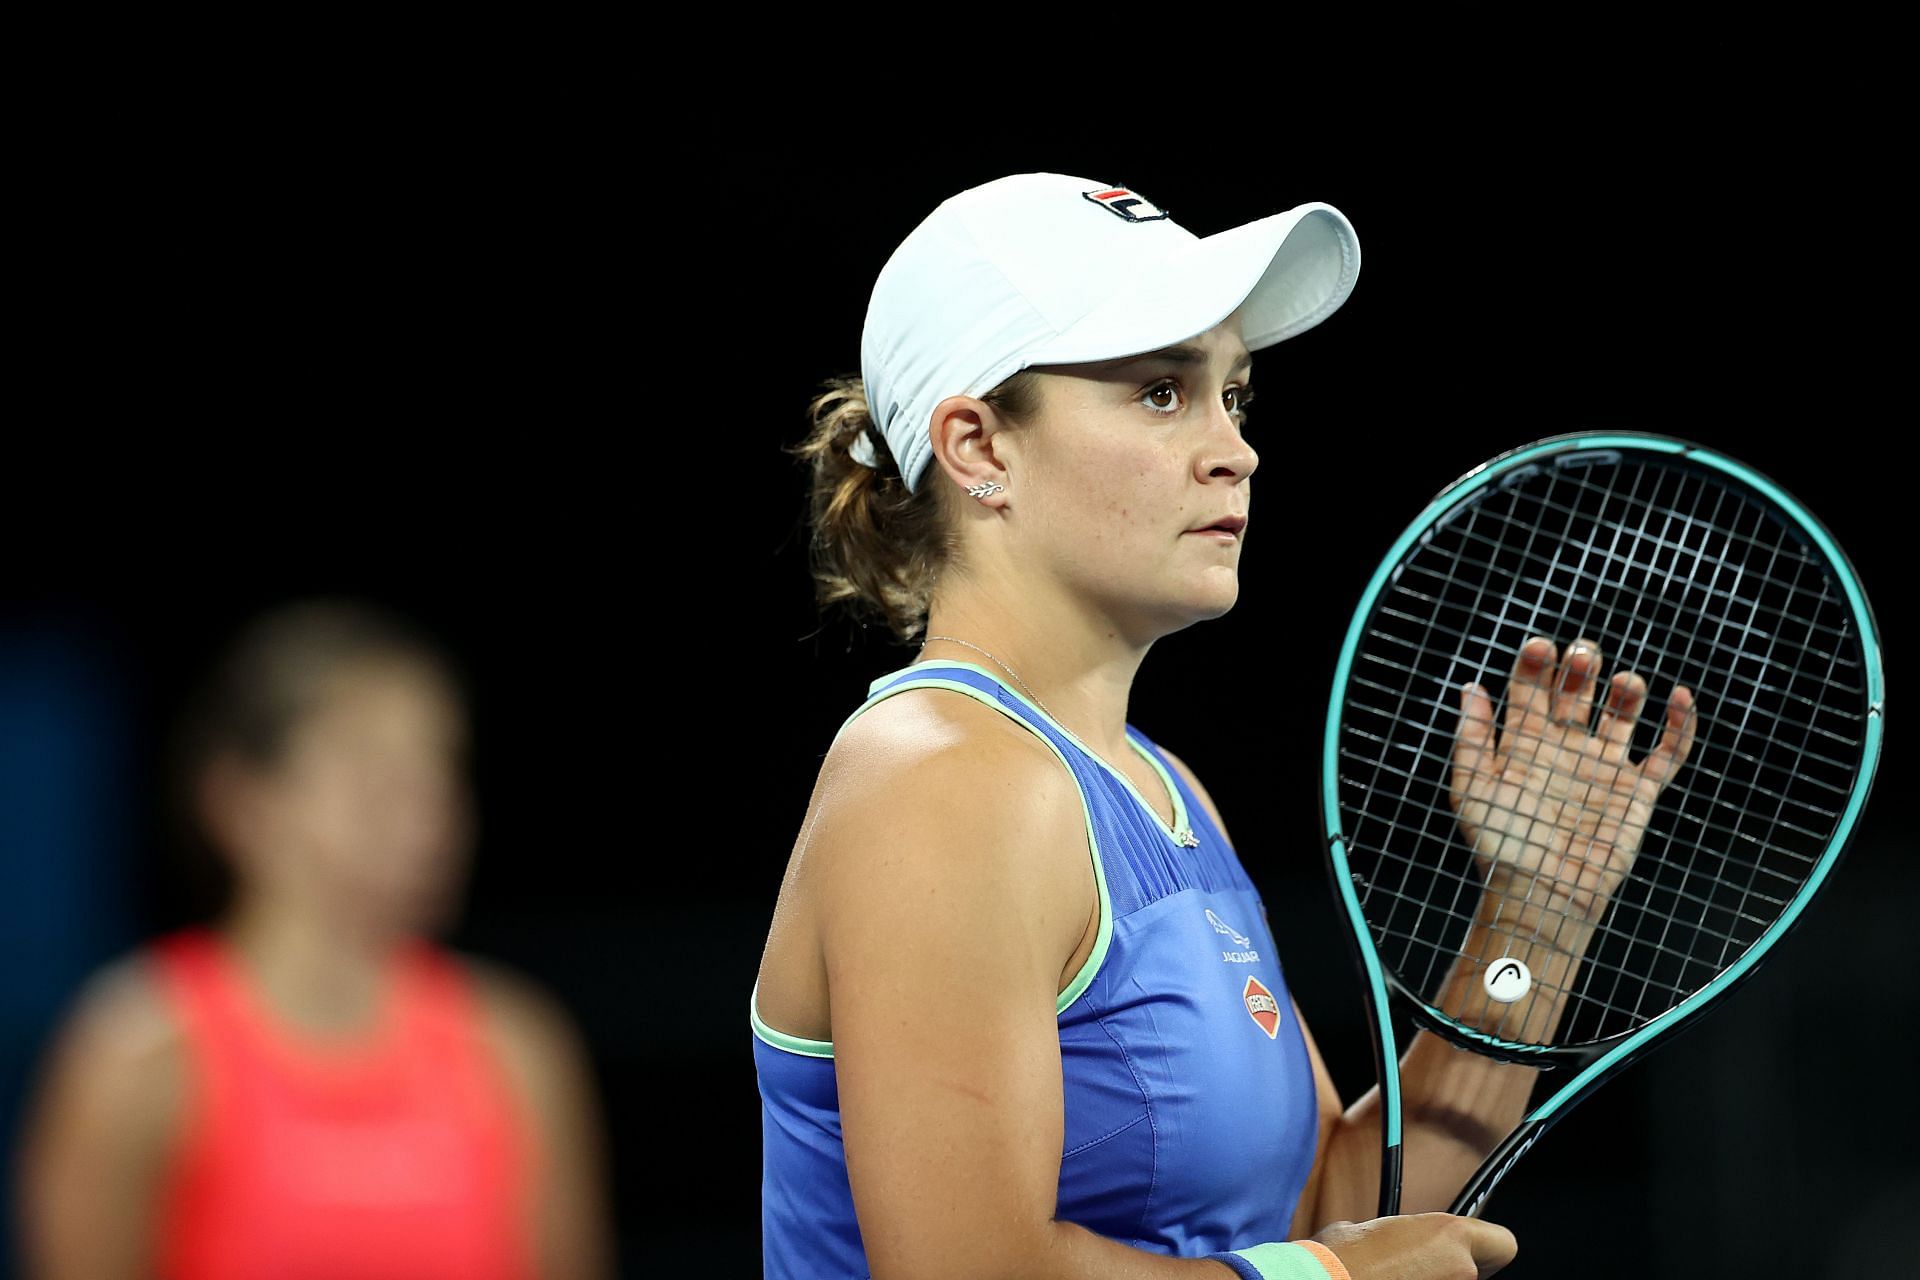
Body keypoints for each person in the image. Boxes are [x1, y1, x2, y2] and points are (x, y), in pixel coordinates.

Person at [749, 171, 1709, 1280]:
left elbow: (1333, 1200)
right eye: (1162, 391)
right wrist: (1331, 1278)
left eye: (1234, 395)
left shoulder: (1161, 786)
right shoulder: (937, 779)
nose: (1233, 449)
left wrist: (1535, 920)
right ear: (978, 448)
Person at [13, 597, 617, 1280]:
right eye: (370, 766)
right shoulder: (137, 1057)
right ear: (239, 799)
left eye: (440, 766)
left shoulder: (517, 1050)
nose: (424, 807)